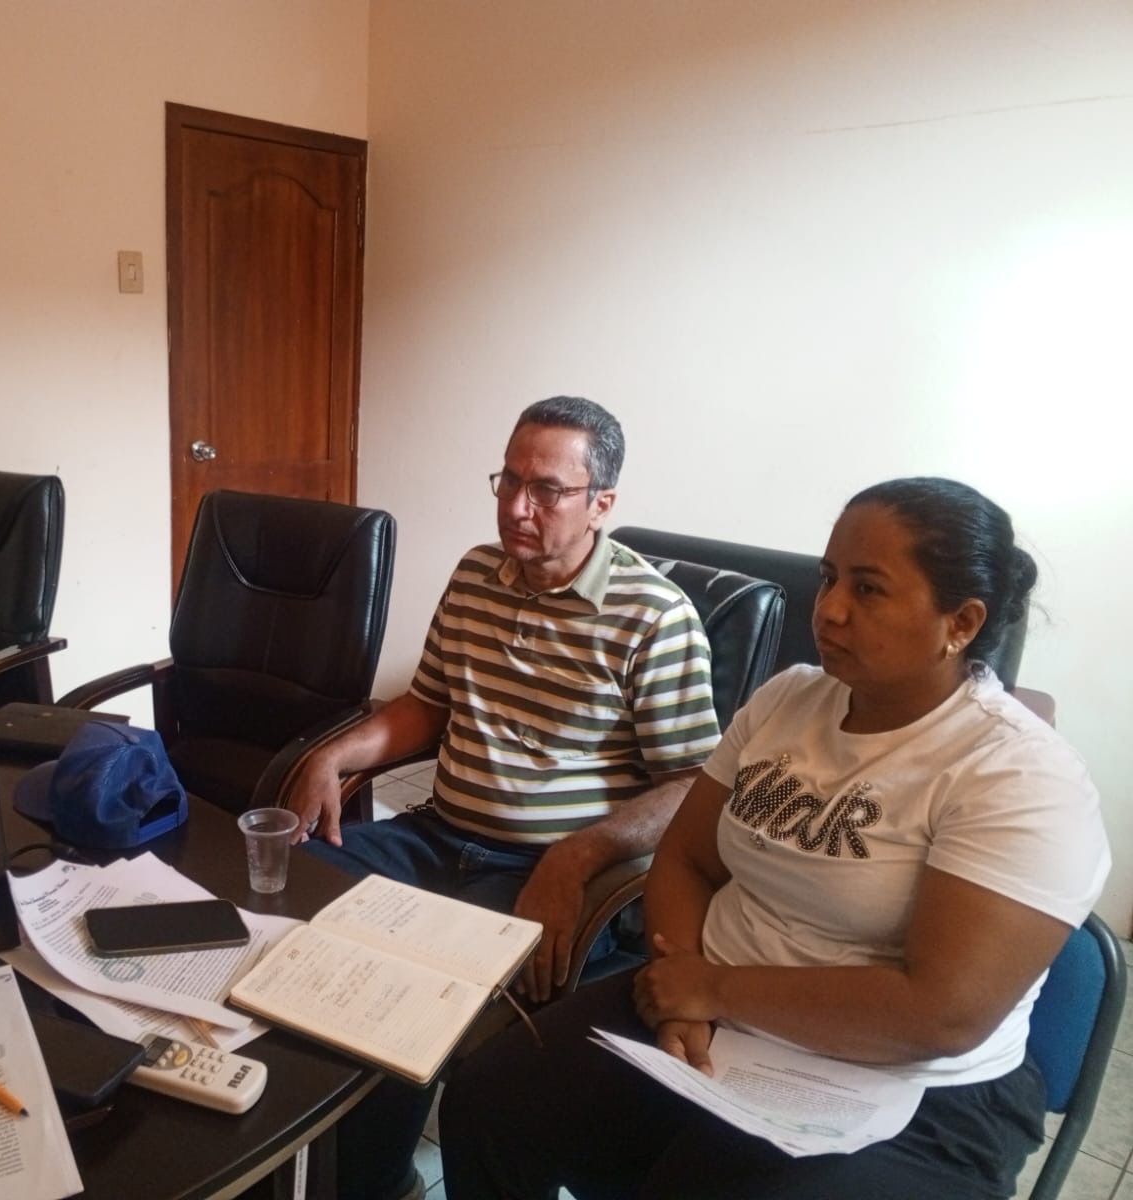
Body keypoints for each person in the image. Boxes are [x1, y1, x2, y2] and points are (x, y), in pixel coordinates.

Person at [440, 477, 1110, 1200]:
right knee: (490, 1098)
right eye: (828, 578)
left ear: (962, 621)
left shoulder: (1017, 775)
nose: (830, 609)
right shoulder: (789, 697)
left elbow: (942, 1013)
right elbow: (687, 859)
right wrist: (683, 985)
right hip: (714, 1005)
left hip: (908, 1082)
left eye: (868, 589)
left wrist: (712, 987)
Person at [285, 395, 721, 1200]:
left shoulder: (655, 616)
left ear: (601, 503)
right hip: (435, 837)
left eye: (547, 489)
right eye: (509, 481)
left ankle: (374, 1183)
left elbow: (693, 784)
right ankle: (327, 1165)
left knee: (403, 985)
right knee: (290, 899)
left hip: (547, 870)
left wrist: (576, 855)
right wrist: (332, 754)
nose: (518, 507)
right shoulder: (476, 575)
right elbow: (428, 705)